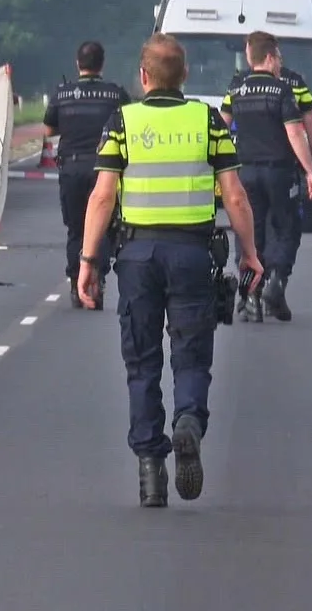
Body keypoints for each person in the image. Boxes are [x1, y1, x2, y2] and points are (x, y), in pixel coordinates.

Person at [76, 33, 265, 508]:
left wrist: (88, 260)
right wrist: (250, 253)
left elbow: (102, 196)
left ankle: (149, 470)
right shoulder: (206, 121)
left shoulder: (123, 121)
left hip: (137, 258)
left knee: (141, 362)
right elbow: (235, 194)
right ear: (184, 76)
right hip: (192, 255)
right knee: (191, 354)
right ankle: (188, 422)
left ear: (143, 77)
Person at [221, 32, 312, 322]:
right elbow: (297, 131)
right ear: (268, 57)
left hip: (246, 171)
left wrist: (218, 165)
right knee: (287, 227)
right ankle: (276, 279)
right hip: (280, 171)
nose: (280, 62)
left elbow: (222, 125)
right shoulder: (284, 88)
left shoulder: (236, 88)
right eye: (278, 57)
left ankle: (250, 293)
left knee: (250, 232)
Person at [42, 41, 131, 308]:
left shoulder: (62, 94)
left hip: (71, 168)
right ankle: (97, 280)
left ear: (77, 64)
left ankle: (74, 282)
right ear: (101, 64)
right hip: (104, 169)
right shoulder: (116, 95)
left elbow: (48, 130)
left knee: (76, 229)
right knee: (102, 227)